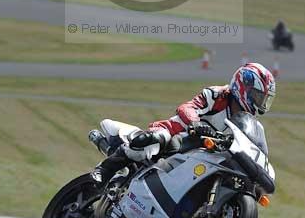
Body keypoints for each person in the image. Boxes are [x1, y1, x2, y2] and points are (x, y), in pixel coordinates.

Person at [91, 61, 276, 185]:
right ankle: (104, 170)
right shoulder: (217, 95)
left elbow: (254, 147)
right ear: (243, 87)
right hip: (178, 135)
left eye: (264, 99)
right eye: (258, 97)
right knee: (153, 141)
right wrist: (195, 123)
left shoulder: (248, 123)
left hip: (206, 154)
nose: (260, 104)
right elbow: (187, 107)